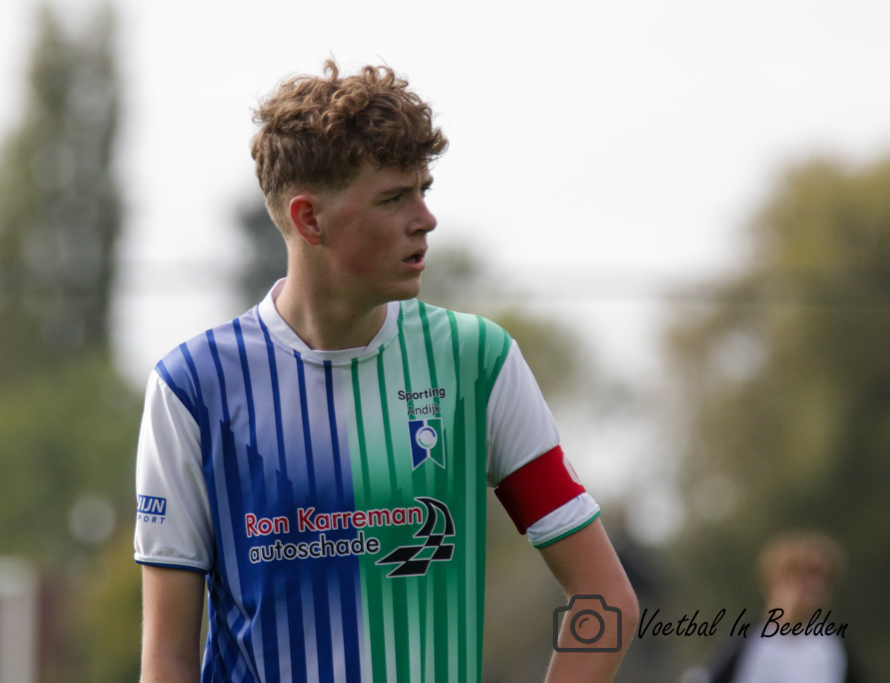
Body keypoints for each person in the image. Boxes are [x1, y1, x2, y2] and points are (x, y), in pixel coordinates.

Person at [134, 61, 637, 683]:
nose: (425, 218)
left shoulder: (478, 362)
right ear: (309, 219)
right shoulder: (191, 389)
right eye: (395, 198)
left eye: (424, 190)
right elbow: (169, 658)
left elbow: (605, 599)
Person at [696, 531, 863, 683]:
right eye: (801, 576)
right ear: (775, 581)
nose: (814, 587)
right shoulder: (745, 644)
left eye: (822, 579)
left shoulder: (834, 647)